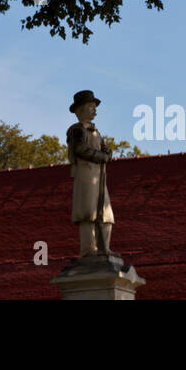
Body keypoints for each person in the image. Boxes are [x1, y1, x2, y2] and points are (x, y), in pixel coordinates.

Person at [67, 90, 115, 257]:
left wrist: (107, 153)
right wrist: (102, 156)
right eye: (91, 107)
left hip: (99, 177)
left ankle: (104, 248)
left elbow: (103, 150)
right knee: (88, 212)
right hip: (86, 175)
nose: (95, 110)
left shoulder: (96, 132)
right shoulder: (76, 130)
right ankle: (89, 250)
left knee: (105, 214)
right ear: (81, 110)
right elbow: (80, 149)